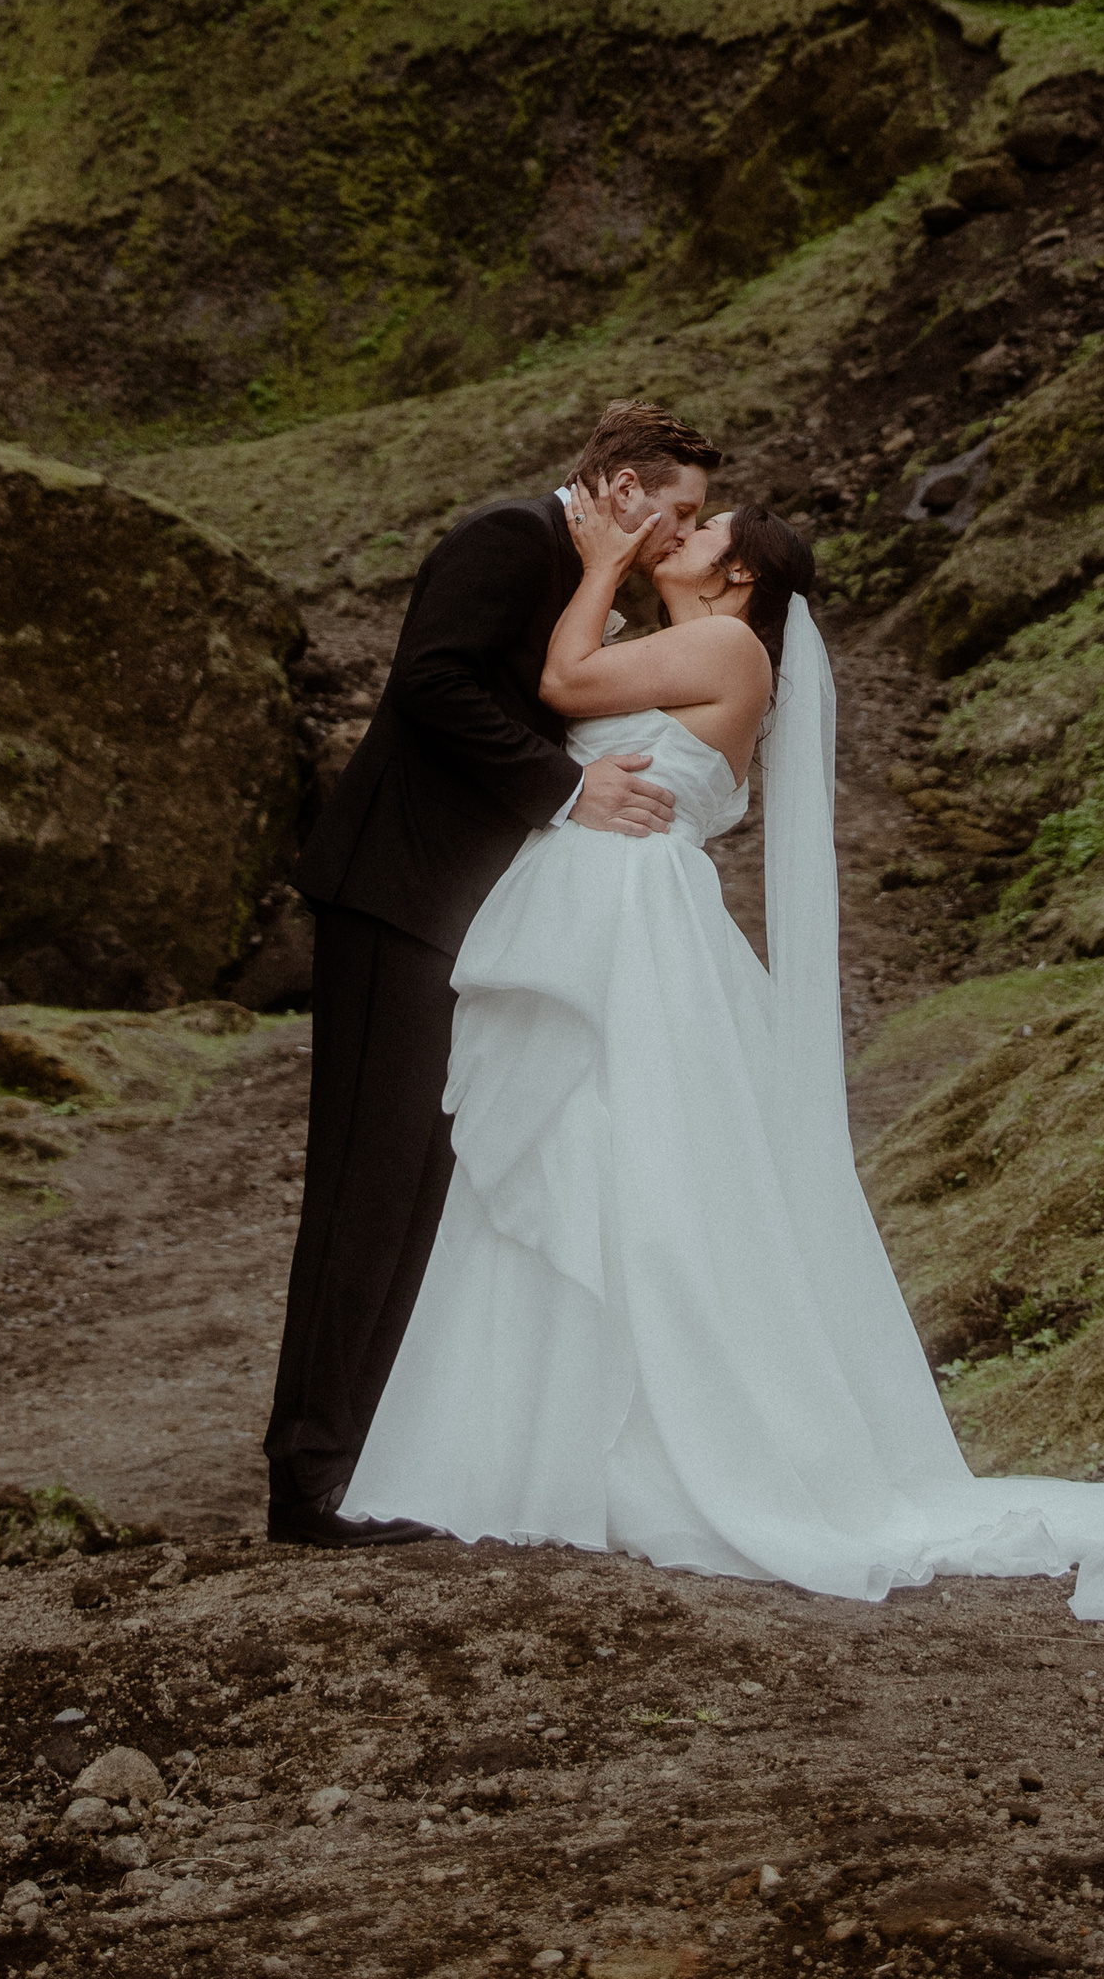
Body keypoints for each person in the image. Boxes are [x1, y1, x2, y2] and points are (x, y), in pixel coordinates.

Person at [343, 488, 1104, 1631]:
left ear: (742, 578)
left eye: (704, 530)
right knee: (593, 1161)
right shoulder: (681, 643)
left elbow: (561, 688)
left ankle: (603, 1449)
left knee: (625, 1164)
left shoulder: (717, 643)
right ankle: (539, 1443)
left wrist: (598, 563)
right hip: (613, 915)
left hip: (629, 925)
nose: (682, 533)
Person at [262, 399, 720, 1547]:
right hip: (395, 895)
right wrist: (567, 792)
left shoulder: (582, 583)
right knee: (367, 1186)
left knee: (424, 1183)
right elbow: (432, 683)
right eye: (678, 512)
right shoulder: (507, 540)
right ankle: (305, 1485)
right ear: (619, 485)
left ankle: (362, 1460)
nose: (680, 535)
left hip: (463, 916)